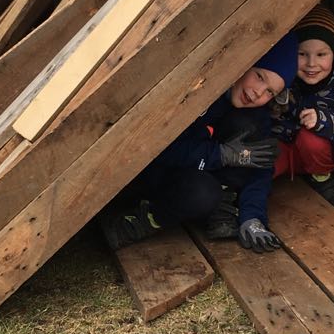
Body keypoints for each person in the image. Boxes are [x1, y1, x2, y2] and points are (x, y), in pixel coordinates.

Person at [99, 32, 298, 254]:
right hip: (158, 175)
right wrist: (221, 154)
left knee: (247, 132)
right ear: (245, 63)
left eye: (270, 91)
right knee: (201, 193)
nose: (258, 93)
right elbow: (159, 149)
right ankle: (142, 220)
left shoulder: (257, 115)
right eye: (260, 76)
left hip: (200, 177)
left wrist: (252, 217)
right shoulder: (200, 89)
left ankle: (221, 210)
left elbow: (261, 170)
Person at [272, 6, 334, 206]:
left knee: (311, 139)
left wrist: (323, 120)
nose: (311, 63)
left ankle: (322, 176)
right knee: (264, 161)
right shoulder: (282, 77)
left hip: (317, 155)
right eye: (302, 54)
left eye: (321, 55)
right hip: (284, 147)